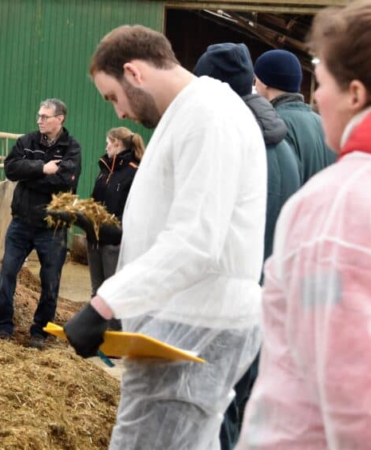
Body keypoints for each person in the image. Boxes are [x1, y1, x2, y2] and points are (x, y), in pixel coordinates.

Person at [64, 26, 266, 449]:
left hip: (196, 324)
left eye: (112, 97)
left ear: (134, 73)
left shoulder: (208, 115)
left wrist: (106, 302)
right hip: (180, 323)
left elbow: (195, 240)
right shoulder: (188, 115)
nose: (118, 114)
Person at [238, 2, 371, 448]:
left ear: (354, 94)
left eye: (325, 82)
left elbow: (351, 383)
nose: (317, 97)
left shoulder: (336, 206)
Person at [193, 42, 303, 450]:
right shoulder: (282, 144)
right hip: (266, 302)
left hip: (228, 306)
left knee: (218, 415)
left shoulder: (235, 144)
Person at [0, 98, 82, 350]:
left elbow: (66, 181)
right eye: (39, 116)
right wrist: (42, 169)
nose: (39, 120)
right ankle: (3, 328)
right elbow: (10, 169)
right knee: (7, 274)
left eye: (45, 116)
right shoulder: (27, 141)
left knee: (50, 281)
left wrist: (29, 176)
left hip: (52, 227)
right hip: (21, 222)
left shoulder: (71, 147)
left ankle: (40, 332)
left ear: (60, 118)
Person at [85, 127, 144, 330]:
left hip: (115, 242)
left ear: (117, 143)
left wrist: (118, 233)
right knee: (97, 290)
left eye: (108, 143)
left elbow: (135, 210)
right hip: (95, 238)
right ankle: (97, 336)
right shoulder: (104, 171)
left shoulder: (134, 172)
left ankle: (117, 336)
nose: (106, 146)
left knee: (114, 291)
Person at [254, 48, 336, 182]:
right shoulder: (322, 123)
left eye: (255, 79)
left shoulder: (275, 126)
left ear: (264, 82)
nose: (255, 86)